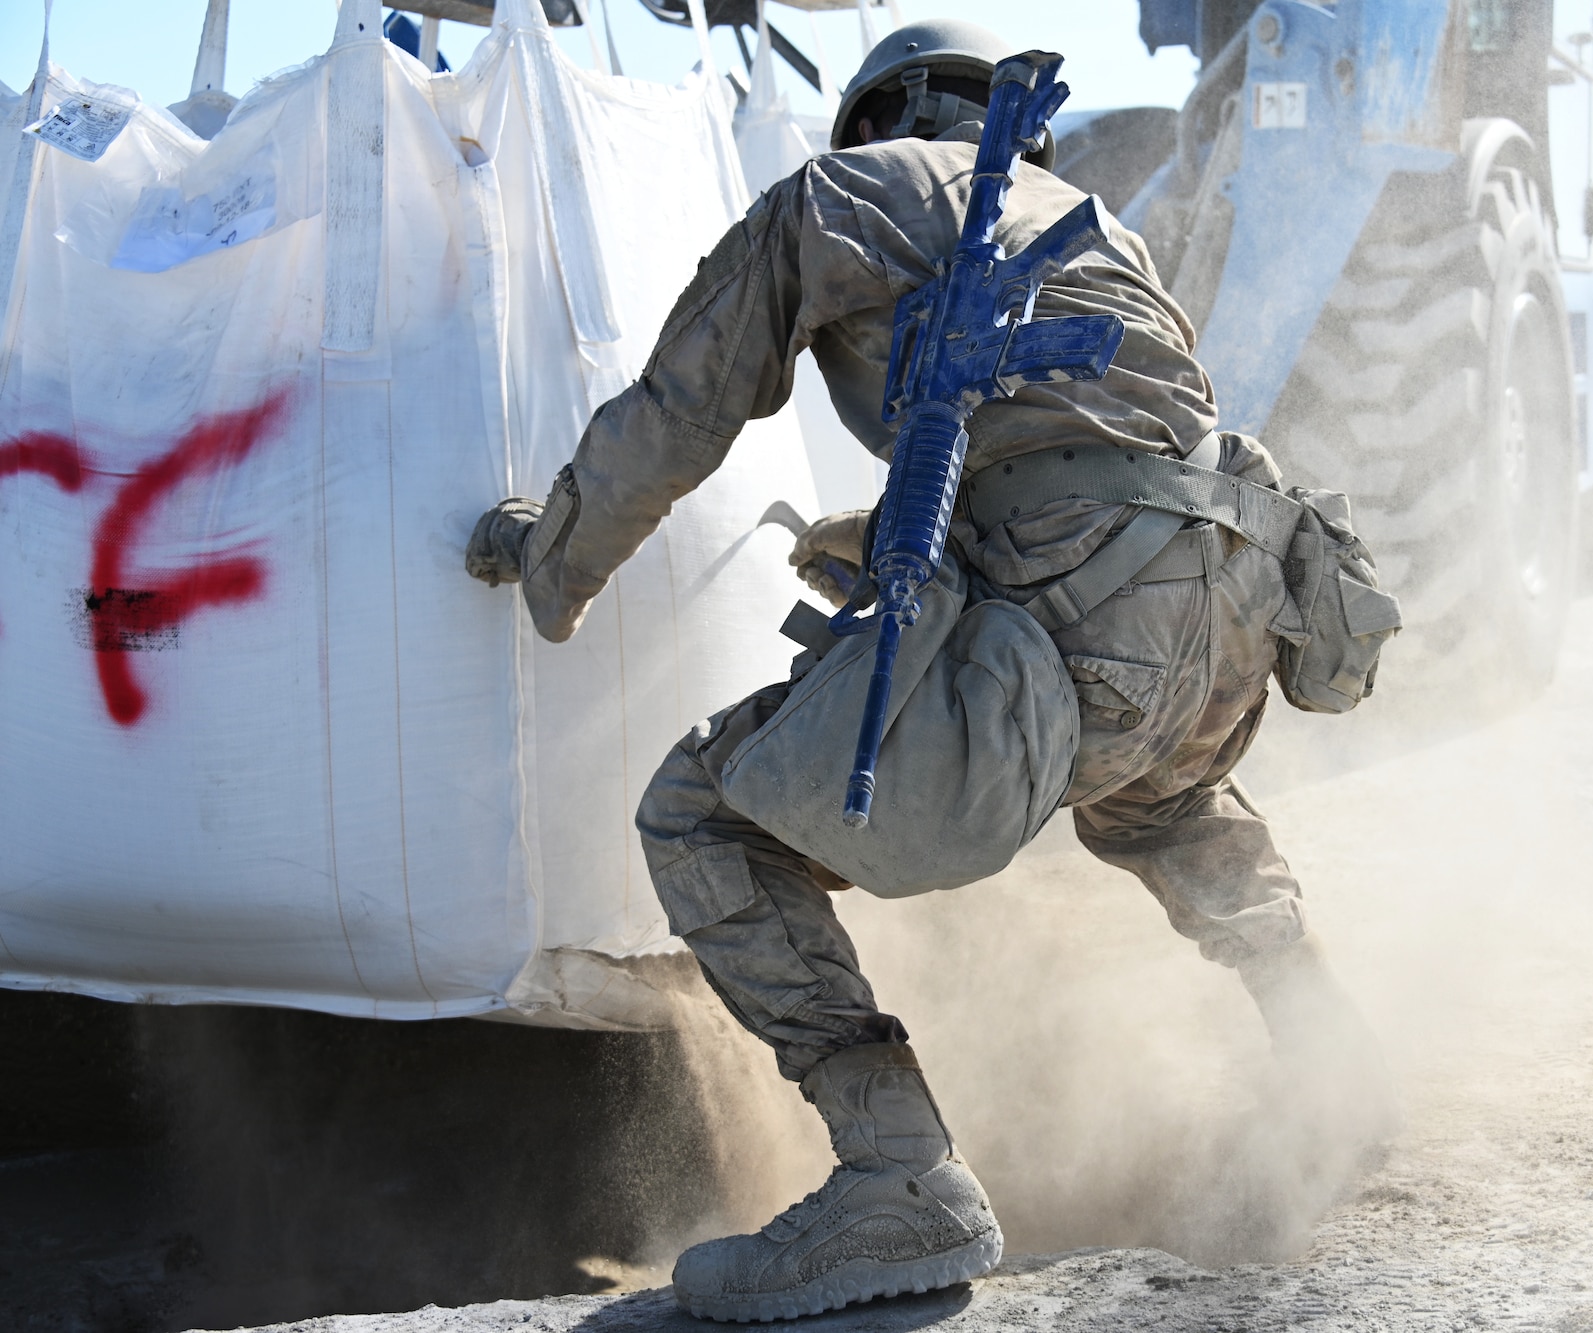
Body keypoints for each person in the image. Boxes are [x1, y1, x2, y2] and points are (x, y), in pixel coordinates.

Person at [465, 19, 1389, 1324]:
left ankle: (898, 1172)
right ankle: (1329, 1051)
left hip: (1091, 626)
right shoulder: (1103, 235)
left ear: (878, 119)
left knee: (698, 810)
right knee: (1152, 795)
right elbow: (1098, 455)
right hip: (1235, 618)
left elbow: (683, 404)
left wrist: (550, 558)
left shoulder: (848, 193)